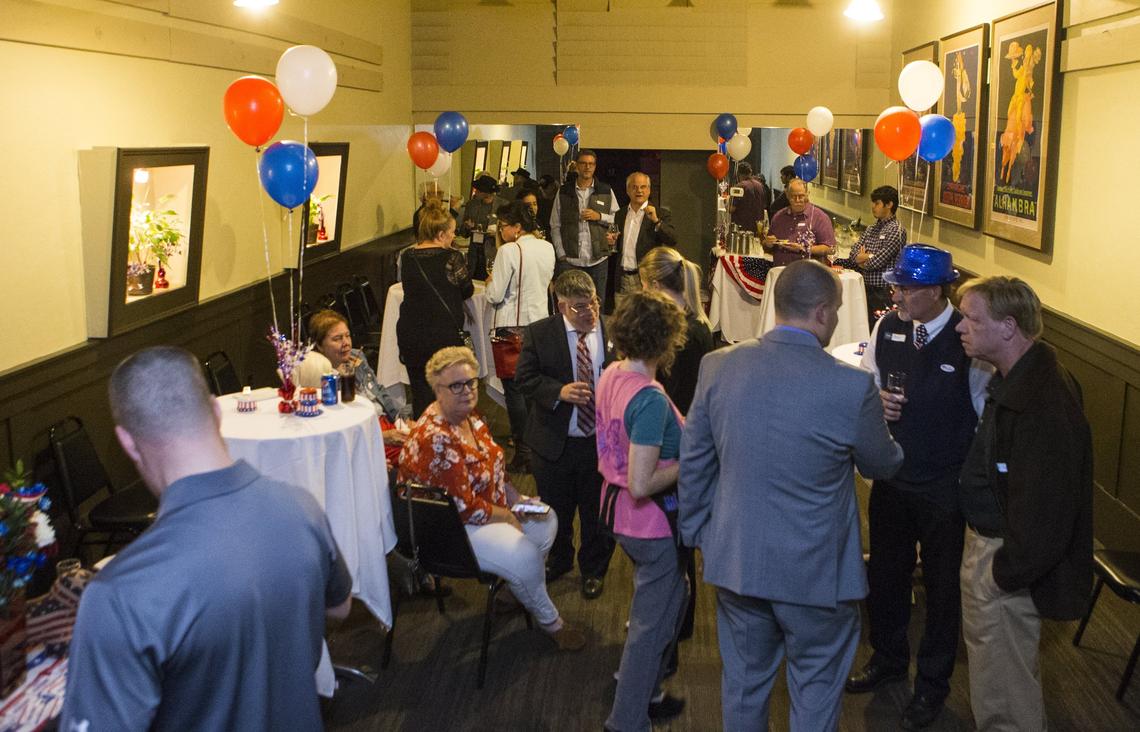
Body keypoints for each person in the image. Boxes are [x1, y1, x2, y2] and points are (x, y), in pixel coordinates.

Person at [61, 346, 353, 730]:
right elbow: (340, 607)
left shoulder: (119, 594)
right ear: (216, 412)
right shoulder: (302, 507)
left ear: (128, 442)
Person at [679, 260, 903, 731]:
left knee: (742, 691)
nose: (839, 320)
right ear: (822, 311)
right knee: (816, 696)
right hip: (820, 576)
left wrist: (702, 537)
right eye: (837, 310)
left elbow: (695, 462)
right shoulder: (852, 385)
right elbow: (882, 465)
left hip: (739, 563)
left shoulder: (717, 366)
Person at [845, 245, 992, 731]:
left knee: (943, 589)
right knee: (886, 575)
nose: (898, 293)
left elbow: (984, 415)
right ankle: (888, 657)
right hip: (894, 477)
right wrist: (878, 403)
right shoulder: (888, 326)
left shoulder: (967, 337)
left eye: (906, 287)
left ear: (934, 290)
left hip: (944, 486)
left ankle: (932, 684)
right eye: (899, 285)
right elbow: (869, 384)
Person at [954, 276, 1093, 731]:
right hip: (995, 552)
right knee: (997, 682)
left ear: (1009, 327)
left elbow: (1048, 509)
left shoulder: (1043, 398)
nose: (960, 326)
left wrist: (1002, 575)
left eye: (972, 318)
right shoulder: (1019, 379)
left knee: (1005, 696)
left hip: (1004, 563)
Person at [397, 346, 586, 651]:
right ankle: (552, 622)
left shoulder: (471, 418)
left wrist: (517, 499)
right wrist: (509, 516)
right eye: (455, 385)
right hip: (450, 533)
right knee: (525, 552)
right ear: (436, 388)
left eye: (471, 383)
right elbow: (463, 508)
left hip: (481, 511)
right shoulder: (436, 437)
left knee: (546, 516)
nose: (466, 391)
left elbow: (496, 466)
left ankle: (514, 590)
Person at [596, 289, 689, 731]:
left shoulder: (612, 373)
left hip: (617, 515)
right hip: (651, 523)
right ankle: (627, 720)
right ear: (667, 340)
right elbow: (641, 482)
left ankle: (648, 692)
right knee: (650, 630)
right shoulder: (649, 399)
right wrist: (690, 461)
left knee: (670, 604)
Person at [514, 269, 616, 600]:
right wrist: (559, 392)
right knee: (555, 510)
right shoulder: (540, 334)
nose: (591, 313)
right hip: (554, 443)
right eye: (581, 307)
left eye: (594, 303)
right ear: (562, 307)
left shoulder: (614, 330)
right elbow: (525, 380)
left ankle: (594, 570)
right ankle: (559, 560)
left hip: (599, 443)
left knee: (595, 513)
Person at [638, 245, 714, 649]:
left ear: (651, 283)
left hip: (674, 445)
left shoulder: (678, 331)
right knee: (678, 540)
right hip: (687, 442)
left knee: (674, 543)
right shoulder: (696, 325)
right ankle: (678, 618)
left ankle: (676, 620)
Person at [485, 201, 556, 472]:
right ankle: (537, 445)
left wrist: (492, 281)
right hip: (539, 324)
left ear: (516, 228)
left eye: (504, 225)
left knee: (514, 392)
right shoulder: (547, 247)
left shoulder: (509, 251)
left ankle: (524, 451)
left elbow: (494, 295)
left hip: (511, 328)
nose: (501, 230)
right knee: (532, 389)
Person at [302, 309, 411, 463]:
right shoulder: (320, 376)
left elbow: (379, 392)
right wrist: (382, 436)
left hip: (385, 422)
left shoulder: (356, 357)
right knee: (418, 453)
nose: (346, 343)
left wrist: (401, 420)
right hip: (364, 435)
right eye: (337, 339)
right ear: (319, 345)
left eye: (347, 336)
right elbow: (340, 432)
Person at [398, 200, 474, 418]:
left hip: (411, 333)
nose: (453, 236)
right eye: (451, 232)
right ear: (440, 234)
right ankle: (446, 441)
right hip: (443, 334)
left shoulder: (407, 257)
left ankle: (424, 439)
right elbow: (466, 289)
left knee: (420, 393)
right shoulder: (452, 257)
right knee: (449, 392)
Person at [638, 246, 713, 415]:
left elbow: (679, 395)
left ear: (655, 286)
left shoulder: (684, 334)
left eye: (643, 285)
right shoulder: (693, 323)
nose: (643, 292)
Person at [550, 149, 619, 300]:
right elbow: (555, 225)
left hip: (598, 259)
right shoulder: (564, 191)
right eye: (583, 163)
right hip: (570, 260)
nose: (587, 167)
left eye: (591, 164)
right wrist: (561, 253)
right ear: (576, 166)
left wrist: (599, 216)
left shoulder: (605, 190)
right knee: (569, 304)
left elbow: (616, 219)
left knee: (596, 303)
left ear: (595, 166)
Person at [833, 185, 907, 326]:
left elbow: (878, 261)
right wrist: (864, 257)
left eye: (877, 203)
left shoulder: (897, 230)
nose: (873, 207)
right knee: (864, 326)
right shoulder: (871, 229)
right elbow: (854, 252)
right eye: (873, 203)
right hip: (865, 286)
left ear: (889, 204)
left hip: (883, 290)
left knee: (881, 327)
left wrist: (866, 257)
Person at [612, 172, 678, 295]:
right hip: (623, 278)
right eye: (634, 187)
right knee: (623, 314)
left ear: (649, 190)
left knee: (647, 314)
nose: (639, 191)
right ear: (627, 190)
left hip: (647, 279)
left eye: (643, 187)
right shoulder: (620, 214)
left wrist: (656, 221)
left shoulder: (660, 213)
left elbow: (672, 239)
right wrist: (611, 241)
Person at [764, 178, 836, 267]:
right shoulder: (779, 217)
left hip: (808, 274)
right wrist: (768, 244)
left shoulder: (820, 217)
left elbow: (830, 249)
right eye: (793, 196)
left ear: (807, 194)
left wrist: (803, 248)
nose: (797, 199)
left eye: (801, 196)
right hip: (781, 273)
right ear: (787, 195)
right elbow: (767, 247)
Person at [461, 174, 506, 280]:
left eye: (478, 190)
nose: (475, 192)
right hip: (474, 254)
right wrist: (467, 227)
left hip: (493, 252)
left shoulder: (503, 205)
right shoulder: (471, 205)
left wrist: (497, 233)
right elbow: (463, 233)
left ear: (486, 192)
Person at [730, 162, 768, 235]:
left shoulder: (739, 186)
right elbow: (764, 204)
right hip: (758, 227)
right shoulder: (760, 186)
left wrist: (727, 203)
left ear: (739, 174)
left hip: (742, 228)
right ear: (750, 172)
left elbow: (732, 208)